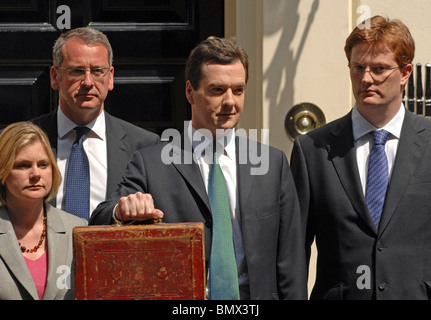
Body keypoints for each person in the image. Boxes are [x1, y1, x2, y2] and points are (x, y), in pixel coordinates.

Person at [90, 37, 307, 300]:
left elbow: (291, 261)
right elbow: (101, 217)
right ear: (190, 92)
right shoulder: (151, 163)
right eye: (217, 90)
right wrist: (121, 210)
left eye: (238, 90)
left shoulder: (272, 164)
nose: (230, 102)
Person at [290, 15, 431, 299]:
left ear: (405, 73)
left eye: (379, 69)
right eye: (358, 67)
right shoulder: (312, 151)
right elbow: (294, 251)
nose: (366, 78)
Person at [31, 27, 160, 220]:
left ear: (110, 77)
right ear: (55, 77)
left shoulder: (144, 145)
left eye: (98, 71)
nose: (88, 82)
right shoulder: (22, 142)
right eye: (77, 71)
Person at [0, 122, 87, 300]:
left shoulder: (77, 229)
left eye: (43, 164)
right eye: (23, 165)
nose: (35, 174)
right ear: (3, 171)